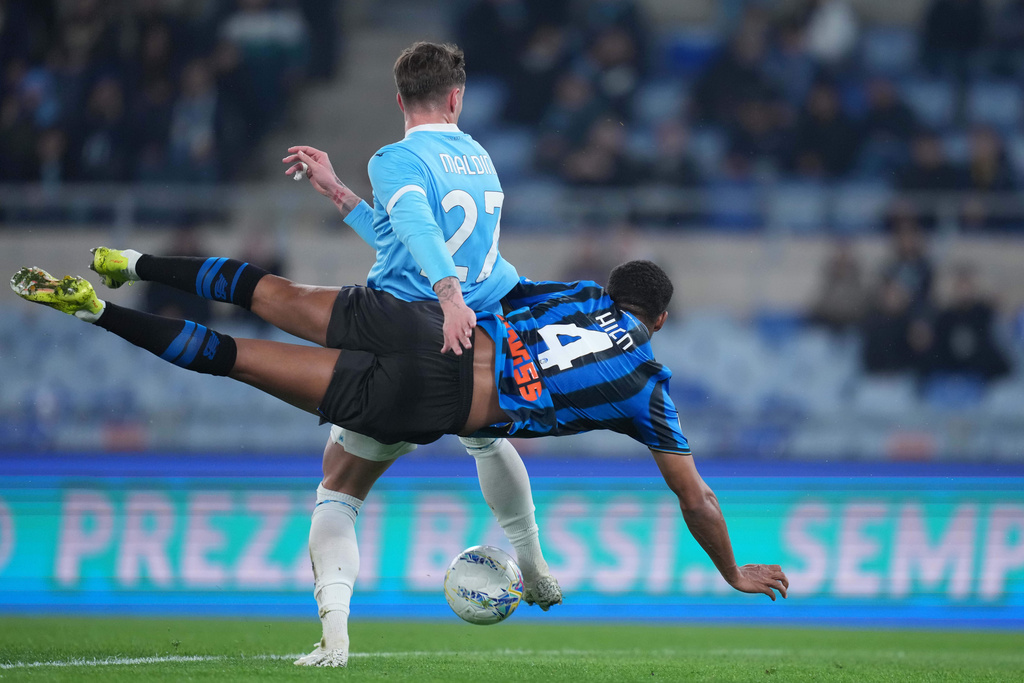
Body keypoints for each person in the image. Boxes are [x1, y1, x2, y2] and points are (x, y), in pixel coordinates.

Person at [11, 257, 790, 631]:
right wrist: (731, 570)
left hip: (424, 325)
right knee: (240, 362)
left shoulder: (581, 296)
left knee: (270, 294)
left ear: (615, 292)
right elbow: (697, 495)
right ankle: (97, 314)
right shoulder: (648, 381)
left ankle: (131, 264)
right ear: (659, 319)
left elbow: (491, 285)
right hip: (439, 399)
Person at [282, 42, 564, 666]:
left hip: (403, 341)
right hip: (471, 349)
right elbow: (413, 236)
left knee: (338, 489)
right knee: (486, 436)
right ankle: (536, 565)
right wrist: (340, 196)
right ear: (456, 98)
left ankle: (334, 636)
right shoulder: (482, 161)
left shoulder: (396, 158)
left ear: (399, 98)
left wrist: (448, 293)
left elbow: (417, 234)